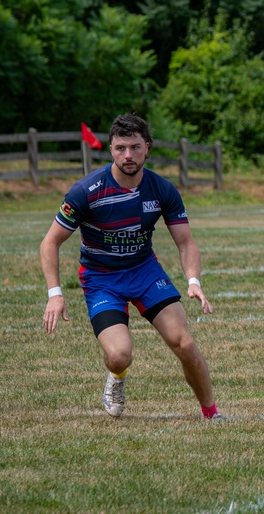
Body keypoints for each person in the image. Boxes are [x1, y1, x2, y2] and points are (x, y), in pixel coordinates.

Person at [40, 113, 220, 420]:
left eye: (135, 147)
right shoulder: (86, 191)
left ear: (147, 148)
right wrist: (55, 293)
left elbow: (186, 242)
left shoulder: (162, 189)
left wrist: (193, 281)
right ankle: (117, 378)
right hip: (102, 279)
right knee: (119, 354)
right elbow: (50, 243)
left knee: (185, 344)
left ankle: (211, 414)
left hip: (145, 272)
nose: (128, 155)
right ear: (110, 149)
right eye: (121, 147)